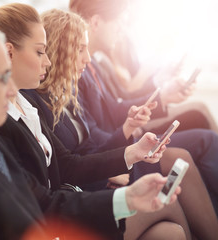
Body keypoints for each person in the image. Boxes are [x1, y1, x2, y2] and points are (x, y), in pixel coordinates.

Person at [0, 5, 191, 240]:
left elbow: (66, 165)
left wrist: (133, 152)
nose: (49, 62)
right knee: (169, 200)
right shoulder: (6, 122)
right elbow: (40, 204)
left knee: (169, 233)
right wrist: (125, 194)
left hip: (66, 206)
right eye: (41, 52)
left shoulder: (27, 104)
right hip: (60, 219)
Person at [69, 0, 218, 217]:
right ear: (96, 22)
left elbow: (115, 107)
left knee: (200, 124)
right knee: (202, 139)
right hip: (119, 146)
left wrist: (163, 95)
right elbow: (99, 128)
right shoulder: (79, 69)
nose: (121, 29)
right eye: (117, 22)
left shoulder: (94, 66)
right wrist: (132, 131)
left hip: (124, 138)